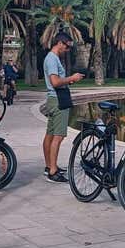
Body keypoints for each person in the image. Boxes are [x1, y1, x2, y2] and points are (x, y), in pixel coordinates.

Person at [43, 32, 84, 182]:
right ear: (60, 43)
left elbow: (58, 80)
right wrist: (72, 78)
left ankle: (50, 166)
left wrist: (69, 80)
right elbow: (55, 82)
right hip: (58, 99)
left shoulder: (51, 58)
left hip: (54, 99)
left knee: (50, 134)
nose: (67, 50)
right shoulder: (52, 59)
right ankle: (53, 171)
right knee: (58, 136)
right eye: (67, 47)